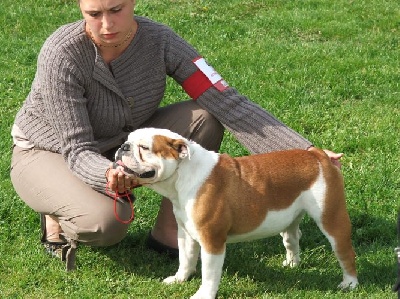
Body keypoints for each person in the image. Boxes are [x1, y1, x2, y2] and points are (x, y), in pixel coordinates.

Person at [10, 0, 343, 270]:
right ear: (80, 8)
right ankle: (55, 210)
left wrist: (306, 150)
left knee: (206, 119)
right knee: (105, 224)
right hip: (48, 150)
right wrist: (109, 174)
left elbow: (224, 99)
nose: (107, 25)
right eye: (94, 14)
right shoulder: (62, 54)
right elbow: (77, 147)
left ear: (133, 3)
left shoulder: (161, 41)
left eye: (117, 10)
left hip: (124, 141)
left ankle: (170, 231)